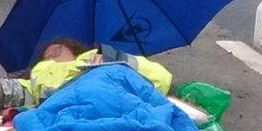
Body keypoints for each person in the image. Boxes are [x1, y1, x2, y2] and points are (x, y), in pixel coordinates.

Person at [18, 38, 172, 105]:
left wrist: (113, 59)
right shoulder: (41, 69)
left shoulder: (94, 55)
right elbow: (50, 92)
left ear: (73, 49)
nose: (51, 55)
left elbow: (161, 78)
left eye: (57, 49)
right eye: (47, 55)